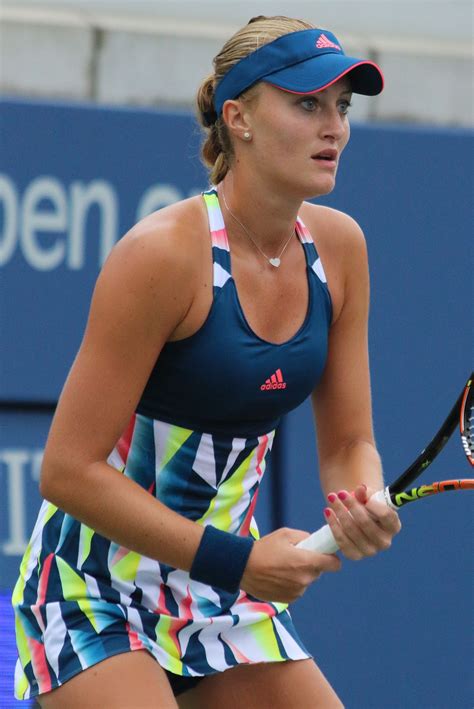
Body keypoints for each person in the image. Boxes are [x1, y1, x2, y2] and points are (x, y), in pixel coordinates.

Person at [13, 15, 401, 708]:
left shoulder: (341, 250)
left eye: (342, 107)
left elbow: (349, 443)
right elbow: (67, 469)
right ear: (239, 118)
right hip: (93, 588)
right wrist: (243, 559)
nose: (334, 126)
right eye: (307, 104)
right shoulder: (162, 255)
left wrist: (361, 500)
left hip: (223, 596)